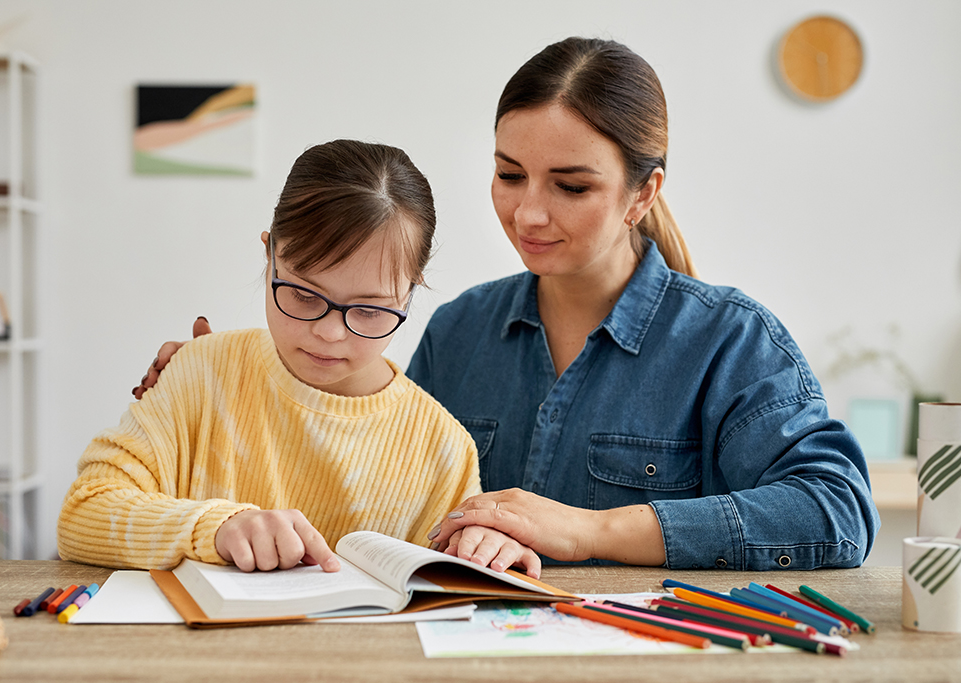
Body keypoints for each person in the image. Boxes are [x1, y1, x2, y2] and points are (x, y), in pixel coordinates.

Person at [136, 38, 880, 571]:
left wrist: (593, 530)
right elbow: (363, 463)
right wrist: (227, 373)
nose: (528, 213)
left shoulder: (729, 340)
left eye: (571, 185)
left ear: (642, 194)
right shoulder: (460, 330)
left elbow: (836, 511)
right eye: (509, 173)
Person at [59, 139, 540, 576]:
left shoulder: (441, 448)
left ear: (411, 293)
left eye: (370, 309)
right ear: (269, 256)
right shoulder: (200, 375)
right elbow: (83, 514)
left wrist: (489, 551)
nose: (329, 333)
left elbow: (444, 587)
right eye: (304, 296)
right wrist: (216, 527)